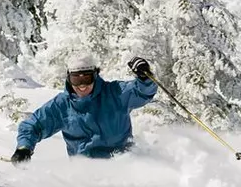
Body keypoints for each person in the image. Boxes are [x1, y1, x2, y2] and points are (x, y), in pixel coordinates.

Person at [11, 55, 157, 164]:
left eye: (86, 79)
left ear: (95, 76)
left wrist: (144, 77)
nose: (82, 85)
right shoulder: (62, 105)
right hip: (87, 170)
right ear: (69, 79)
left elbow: (142, 92)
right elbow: (33, 126)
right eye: (76, 80)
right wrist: (24, 147)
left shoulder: (115, 93)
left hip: (124, 161)